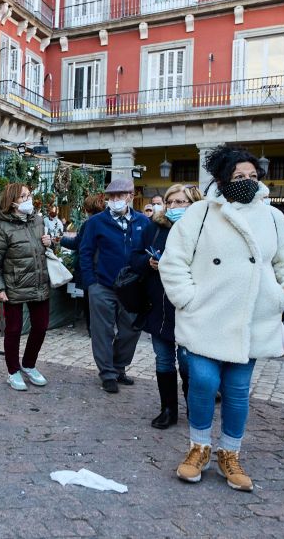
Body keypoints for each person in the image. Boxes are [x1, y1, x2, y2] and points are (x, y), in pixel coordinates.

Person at [159, 145, 284, 492]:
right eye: (239, 176)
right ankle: (198, 448)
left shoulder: (272, 217)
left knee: (238, 391)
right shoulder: (200, 214)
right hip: (205, 316)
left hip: (250, 318)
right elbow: (174, 261)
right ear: (223, 179)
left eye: (253, 176)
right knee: (202, 381)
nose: (247, 182)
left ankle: (231, 452)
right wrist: (187, 299)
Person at [130, 184, 203, 429]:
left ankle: (194, 407)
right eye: (170, 202)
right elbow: (135, 256)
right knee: (163, 359)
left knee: (187, 363)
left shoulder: (203, 229)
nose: (173, 207)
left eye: (180, 202)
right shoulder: (155, 227)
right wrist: (147, 262)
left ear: (193, 204)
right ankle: (168, 409)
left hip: (188, 307)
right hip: (158, 304)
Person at [79, 177, 150, 393]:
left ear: (131, 196)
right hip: (103, 285)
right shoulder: (96, 222)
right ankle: (107, 373)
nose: (115, 199)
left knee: (131, 330)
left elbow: (147, 251)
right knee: (103, 331)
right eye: (111, 196)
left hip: (133, 288)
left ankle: (119, 367)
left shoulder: (143, 222)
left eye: (120, 195)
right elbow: (85, 252)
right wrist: (91, 283)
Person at [0, 183, 52, 391]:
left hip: (39, 283)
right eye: (23, 197)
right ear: (12, 201)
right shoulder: (0, 227)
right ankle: (13, 371)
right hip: (13, 286)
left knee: (40, 327)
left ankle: (29, 365)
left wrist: (50, 243)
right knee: (13, 330)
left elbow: (41, 250)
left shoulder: (38, 221)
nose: (28, 200)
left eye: (29, 195)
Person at [60, 193, 106, 335]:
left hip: (91, 267)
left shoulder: (89, 223)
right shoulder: (106, 220)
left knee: (89, 300)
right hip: (103, 267)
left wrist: (60, 239)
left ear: (88, 208)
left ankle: (92, 329)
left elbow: (78, 243)